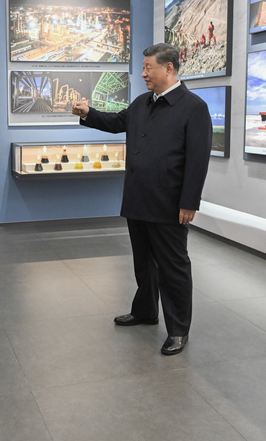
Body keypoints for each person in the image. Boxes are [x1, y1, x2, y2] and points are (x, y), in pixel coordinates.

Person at [72, 43, 211, 356]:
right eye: (144, 68)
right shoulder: (142, 102)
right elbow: (117, 122)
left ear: (169, 68)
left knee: (173, 267)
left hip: (169, 203)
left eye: (149, 68)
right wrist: (88, 114)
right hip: (137, 198)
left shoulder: (193, 107)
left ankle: (178, 329)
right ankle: (146, 311)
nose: (144, 74)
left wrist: (189, 202)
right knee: (144, 263)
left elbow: (198, 160)